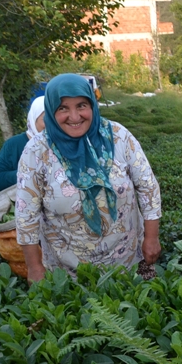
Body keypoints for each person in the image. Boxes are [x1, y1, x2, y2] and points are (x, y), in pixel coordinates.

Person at [15, 73, 162, 282]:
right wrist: (34, 266)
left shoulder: (119, 136)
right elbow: (25, 214)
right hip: (67, 273)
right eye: (63, 108)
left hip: (127, 263)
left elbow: (148, 187)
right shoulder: (37, 151)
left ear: (92, 105)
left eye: (82, 105)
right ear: (50, 109)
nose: (75, 117)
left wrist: (151, 238)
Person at [0, 96, 46, 191]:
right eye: (45, 119)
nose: (51, 125)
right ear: (33, 119)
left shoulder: (63, 144)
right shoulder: (14, 144)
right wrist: (26, 174)